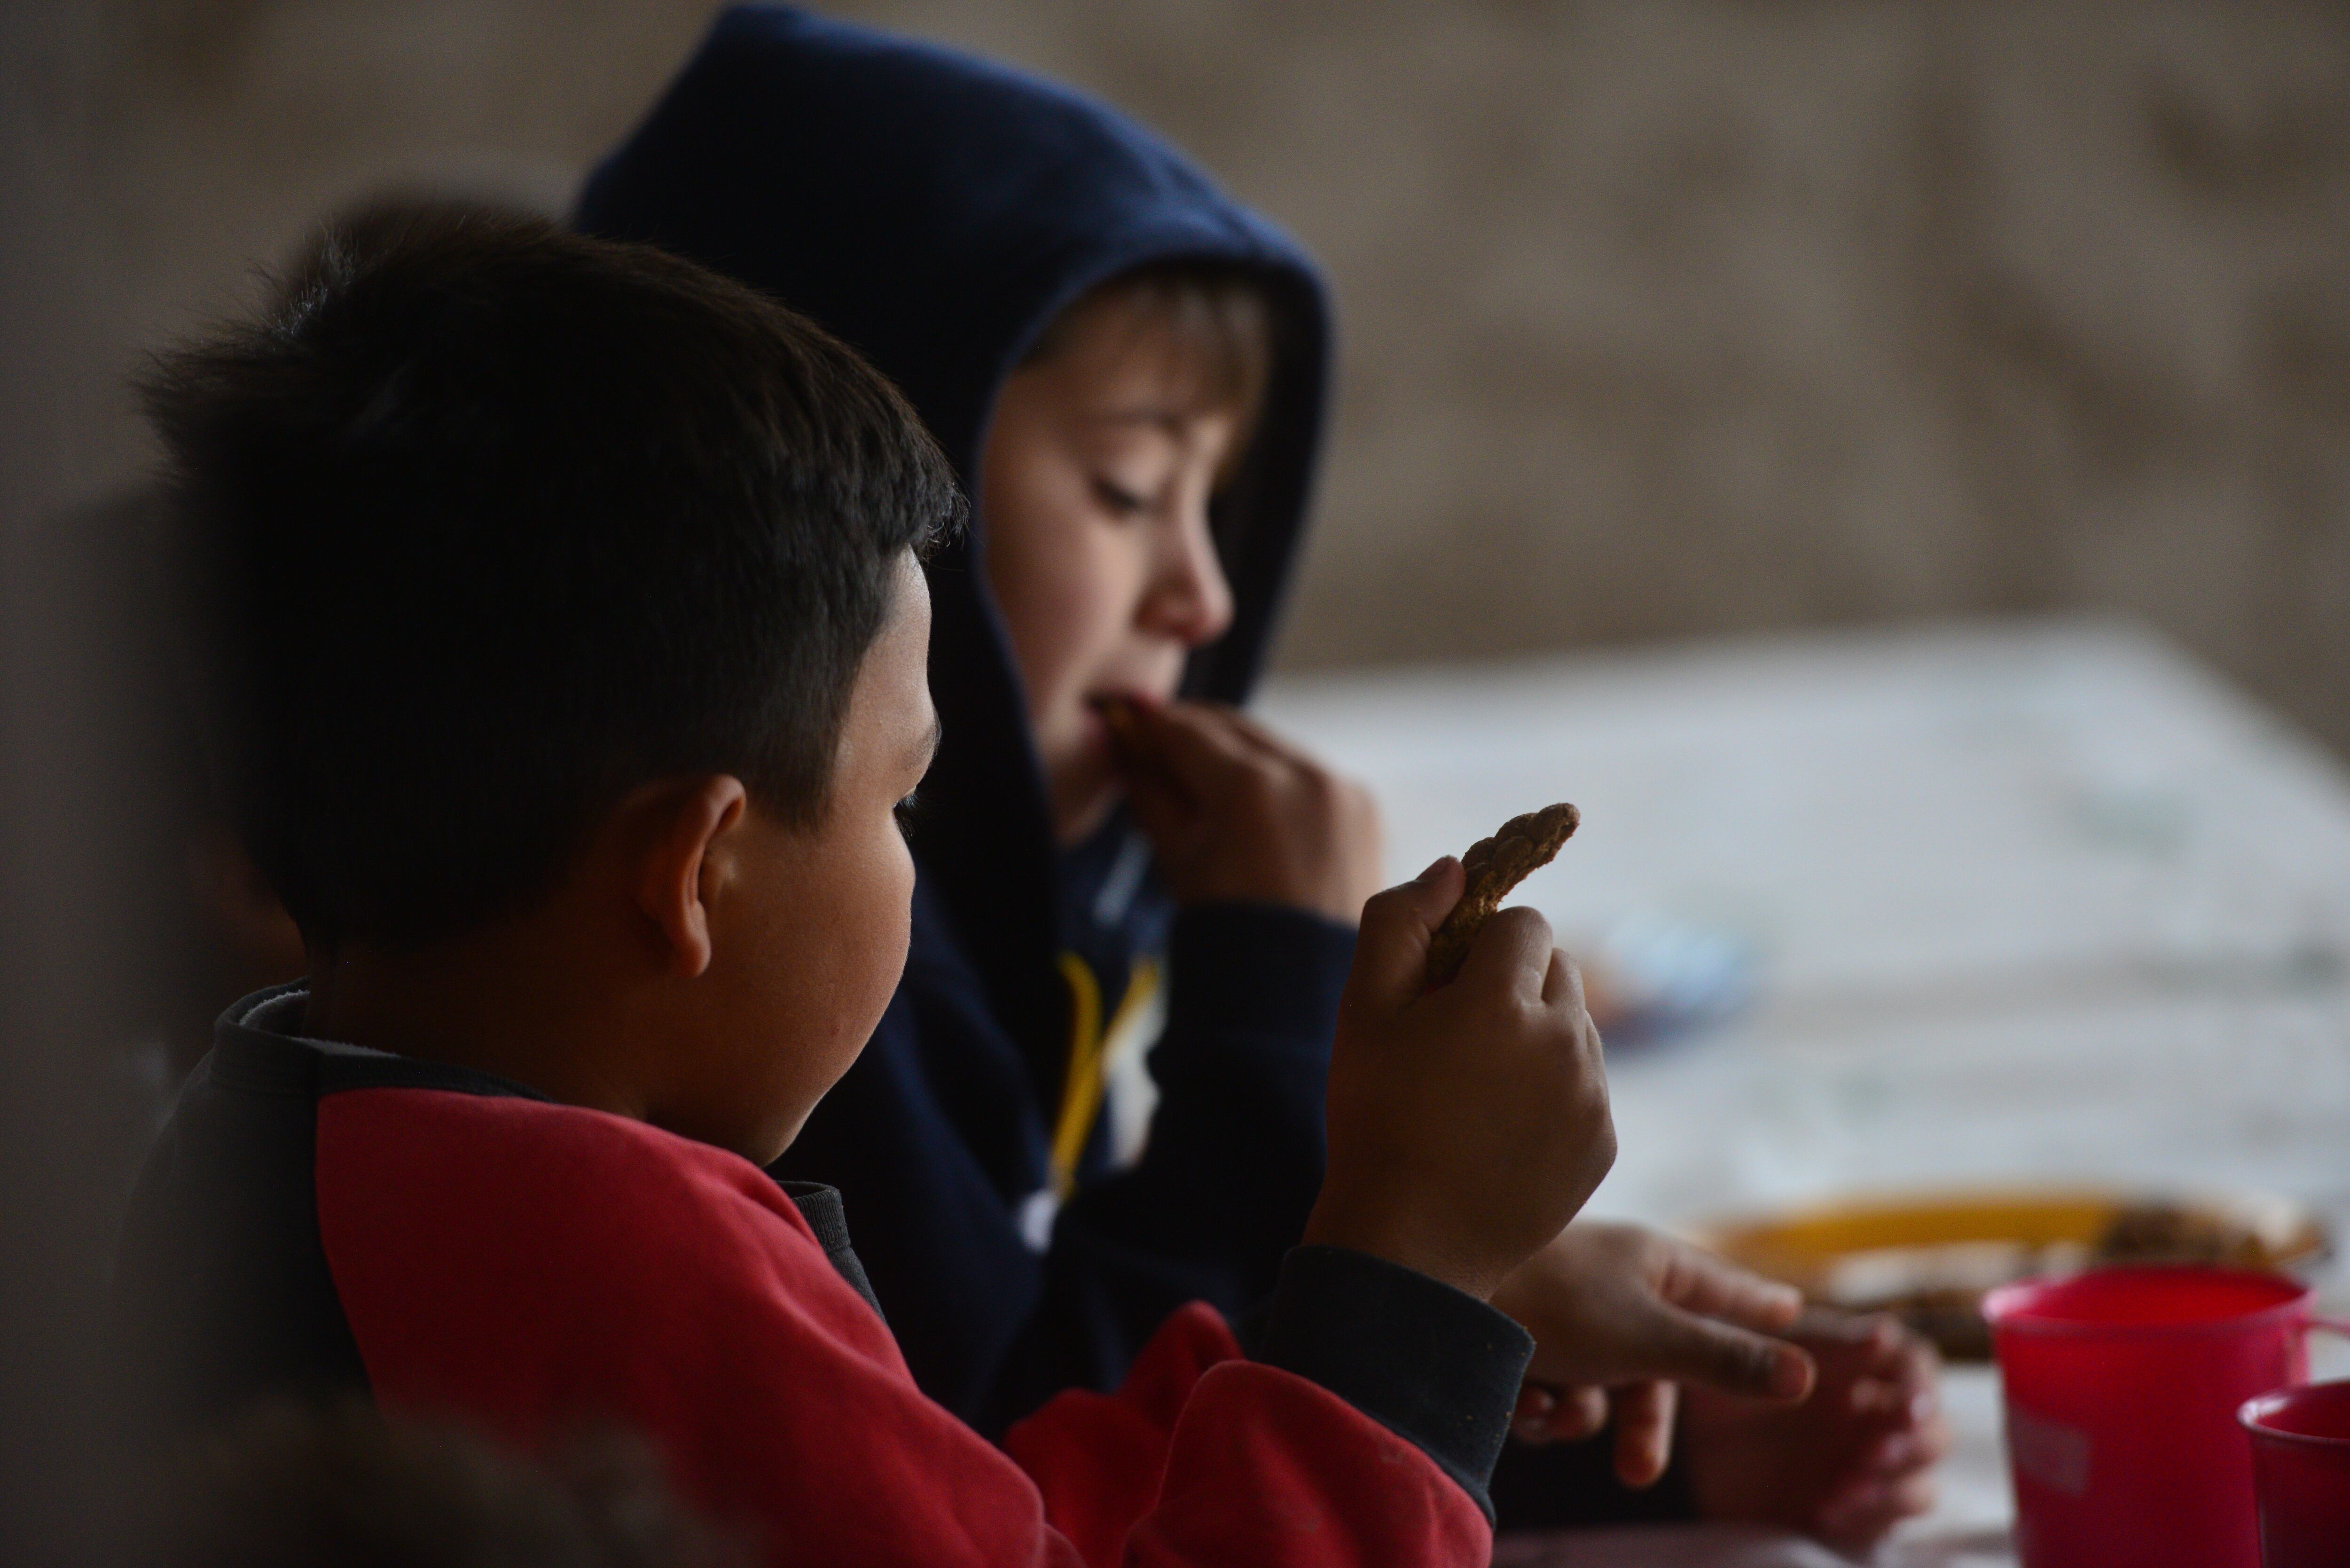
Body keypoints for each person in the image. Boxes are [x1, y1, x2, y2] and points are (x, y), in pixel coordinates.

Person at [577, 8, 1944, 1544]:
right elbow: (1014, 1462)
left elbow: (1091, 1426)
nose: (1206, 599)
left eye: (1215, 504)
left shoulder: (957, 926)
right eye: (1127, 487)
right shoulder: (796, 984)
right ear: (872, 463)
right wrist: (1291, 1045)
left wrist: (1485, 1361)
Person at [112, 199, 1622, 1565]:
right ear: (696, 873)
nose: (917, 852)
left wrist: (1364, 1333)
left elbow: (972, 1522)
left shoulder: (295, 1126)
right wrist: (1410, 1280)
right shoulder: (611, 1255)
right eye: (904, 795)